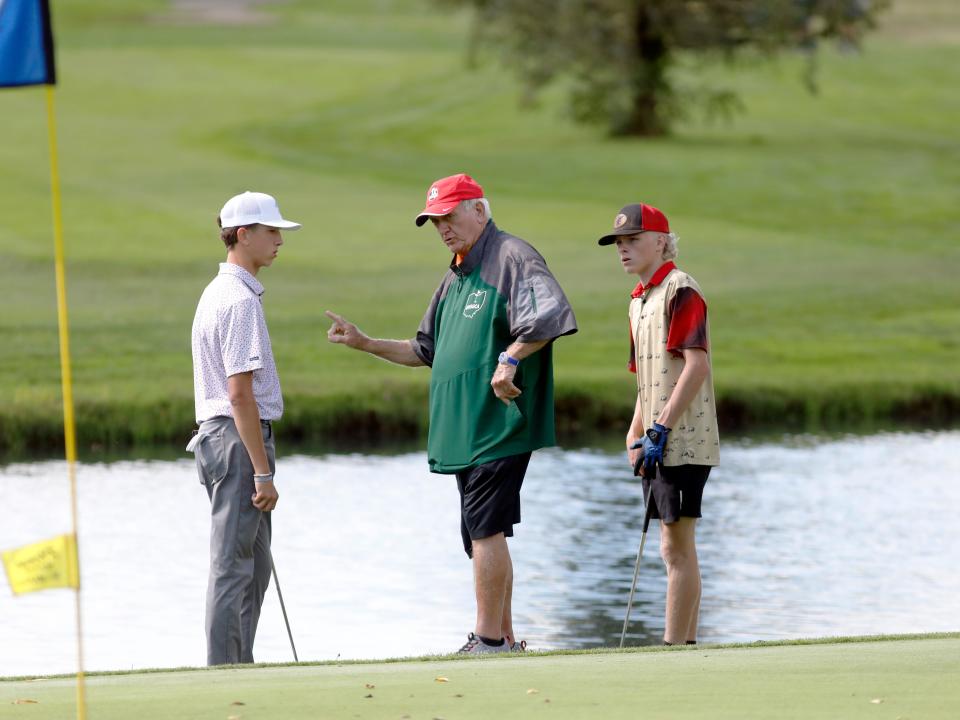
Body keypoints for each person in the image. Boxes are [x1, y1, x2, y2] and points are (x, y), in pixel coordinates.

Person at [325, 173, 577, 654]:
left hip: (499, 423)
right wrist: (364, 342)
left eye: (449, 216)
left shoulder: (512, 257)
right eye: (434, 221)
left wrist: (510, 359)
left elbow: (547, 316)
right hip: (465, 430)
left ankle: (485, 639)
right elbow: (425, 350)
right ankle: (503, 638)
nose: (441, 228)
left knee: (484, 528)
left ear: (479, 210)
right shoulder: (456, 275)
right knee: (484, 532)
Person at [597, 202, 719, 646]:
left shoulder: (680, 290)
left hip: (683, 440)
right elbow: (648, 381)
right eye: (618, 243)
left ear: (662, 242)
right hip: (656, 440)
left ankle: (674, 647)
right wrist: (635, 432)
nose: (622, 250)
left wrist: (660, 428)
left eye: (632, 240)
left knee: (675, 545)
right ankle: (682, 646)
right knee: (674, 545)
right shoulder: (638, 301)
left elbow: (696, 366)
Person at [188, 191, 301, 665]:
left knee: (253, 568)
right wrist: (262, 471)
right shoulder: (238, 301)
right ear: (242, 235)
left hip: (228, 440)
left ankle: (240, 663)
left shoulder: (225, 291)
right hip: (236, 443)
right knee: (234, 567)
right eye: (270, 231)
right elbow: (239, 394)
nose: (279, 240)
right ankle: (225, 674)